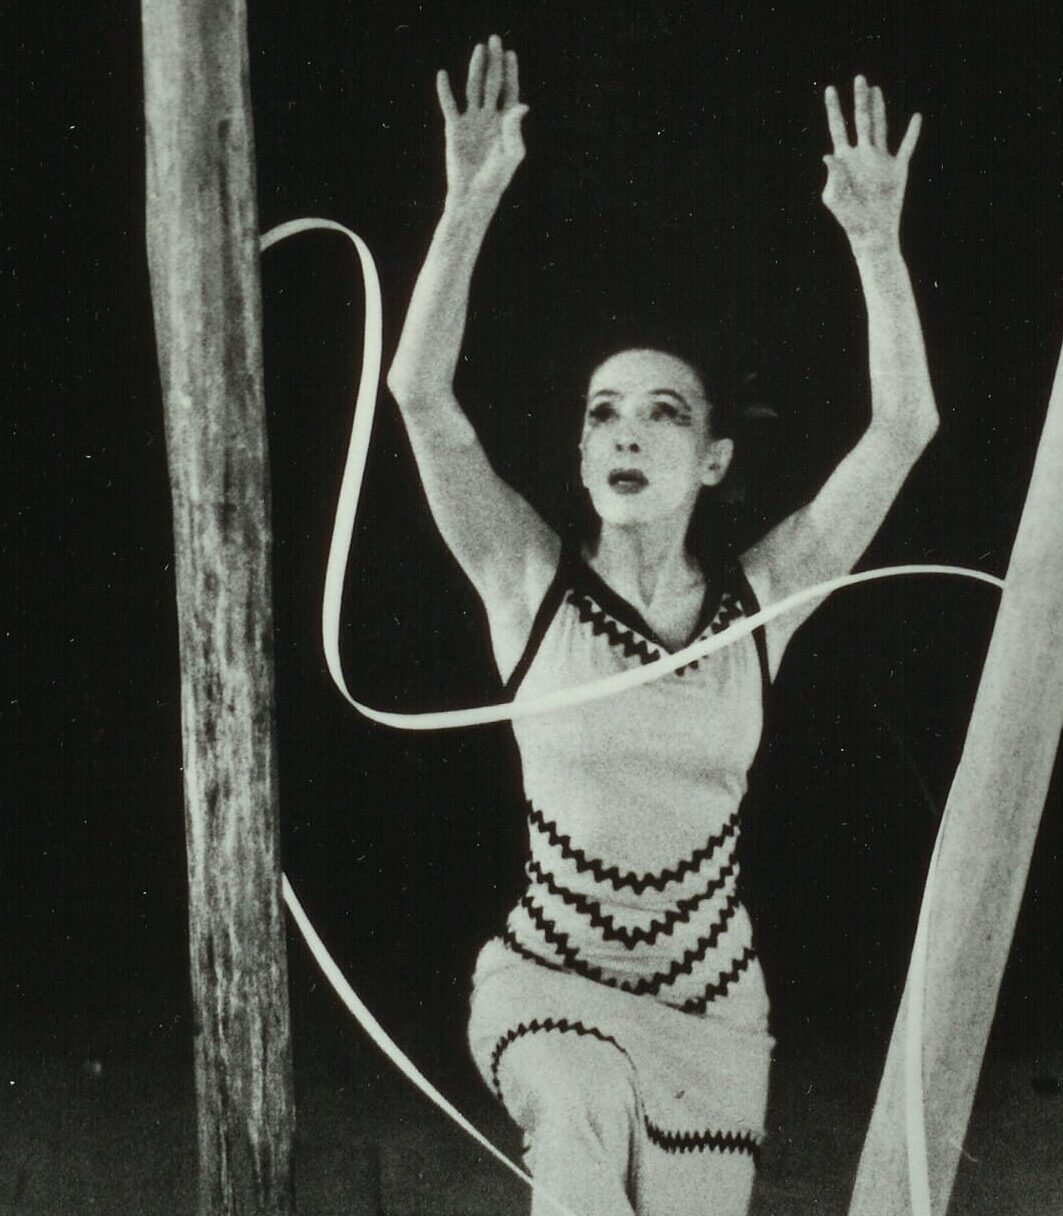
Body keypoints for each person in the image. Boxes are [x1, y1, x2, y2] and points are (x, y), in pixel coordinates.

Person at [381, 34, 936, 1216]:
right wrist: (468, 201)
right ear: (582, 455)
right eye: (606, 415)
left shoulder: (760, 602)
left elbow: (902, 432)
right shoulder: (526, 582)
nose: (629, 434)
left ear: (713, 457)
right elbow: (422, 399)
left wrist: (876, 245)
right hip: (545, 985)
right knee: (577, 1116)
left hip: (710, 1012)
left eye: (663, 414)